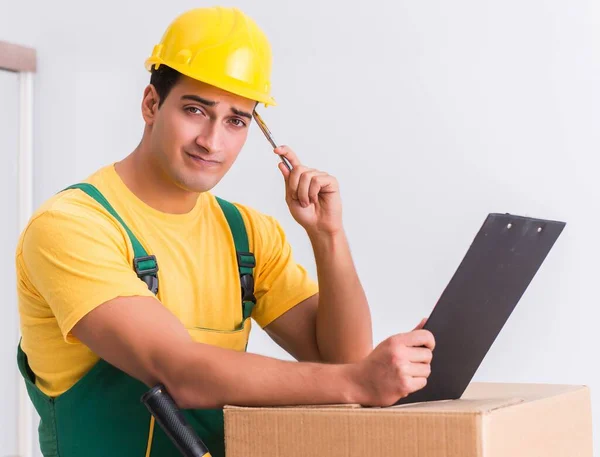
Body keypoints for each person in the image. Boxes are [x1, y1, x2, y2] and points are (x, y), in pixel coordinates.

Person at [15, 6, 435, 457]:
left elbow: (345, 363)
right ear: (151, 104)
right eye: (196, 110)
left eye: (236, 121)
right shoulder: (73, 226)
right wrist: (358, 381)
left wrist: (328, 236)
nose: (212, 142)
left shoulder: (247, 235)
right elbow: (181, 373)